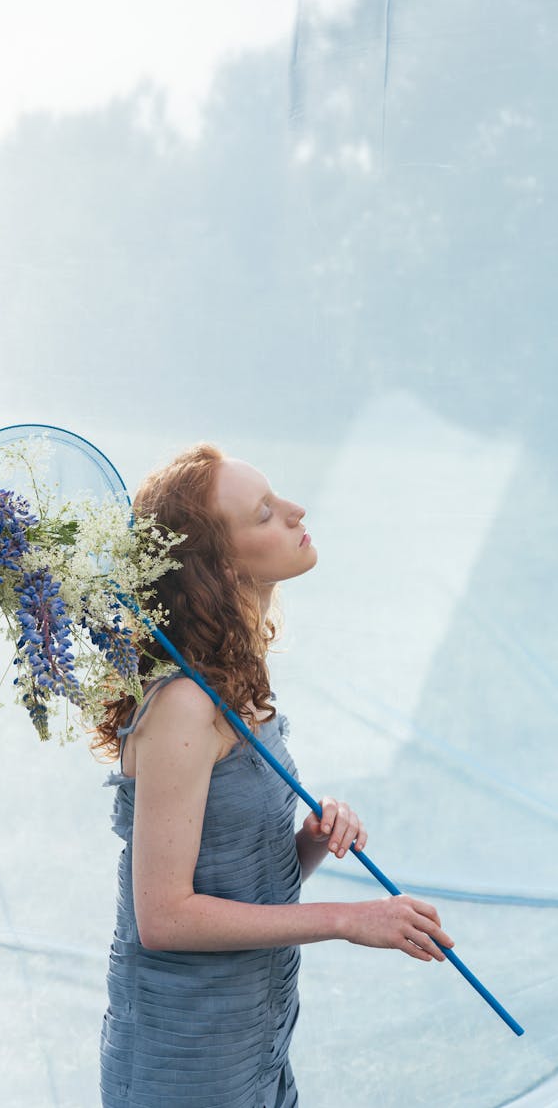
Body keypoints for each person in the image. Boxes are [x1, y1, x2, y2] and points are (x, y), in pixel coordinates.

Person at [94, 443, 453, 1108]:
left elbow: (229, 883)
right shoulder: (183, 705)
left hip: (255, 1046)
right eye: (265, 512)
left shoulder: (239, 688)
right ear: (222, 566)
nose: (296, 511)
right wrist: (349, 917)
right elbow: (165, 917)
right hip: (185, 1068)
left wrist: (309, 843)